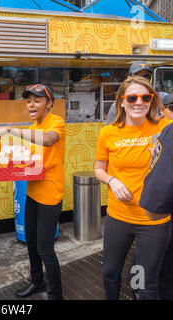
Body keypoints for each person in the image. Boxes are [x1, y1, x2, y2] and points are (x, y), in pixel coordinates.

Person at [94, 76, 172, 300]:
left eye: (146, 97)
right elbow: (99, 169)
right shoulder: (108, 133)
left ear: (152, 101)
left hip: (153, 222)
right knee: (110, 273)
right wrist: (112, 180)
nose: (139, 102)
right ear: (121, 102)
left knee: (142, 283)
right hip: (118, 217)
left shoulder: (165, 128)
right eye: (132, 97)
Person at [0, 84, 66, 300]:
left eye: (37, 100)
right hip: (32, 193)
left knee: (45, 248)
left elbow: (50, 140)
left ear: (49, 103)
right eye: (28, 100)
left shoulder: (56, 122)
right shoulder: (33, 127)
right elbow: (30, 161)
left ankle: (56, 294)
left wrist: (10, 130)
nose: (31, 104)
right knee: (31, 243)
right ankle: (37, 283)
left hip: (50, 193)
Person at [140, 94, 173, 300]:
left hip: (155, 219)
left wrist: (157, 161)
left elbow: (153, 211)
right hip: (124, 215)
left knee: (155, 277)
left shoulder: (168, 133)